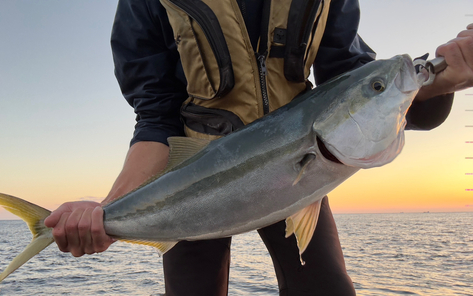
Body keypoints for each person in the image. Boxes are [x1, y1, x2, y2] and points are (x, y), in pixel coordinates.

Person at [44, 0, 473, 295]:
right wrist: (109, 209)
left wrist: (442, 78)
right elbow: (157, 115)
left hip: (303, 160)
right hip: (194, 178)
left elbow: (350, 79)